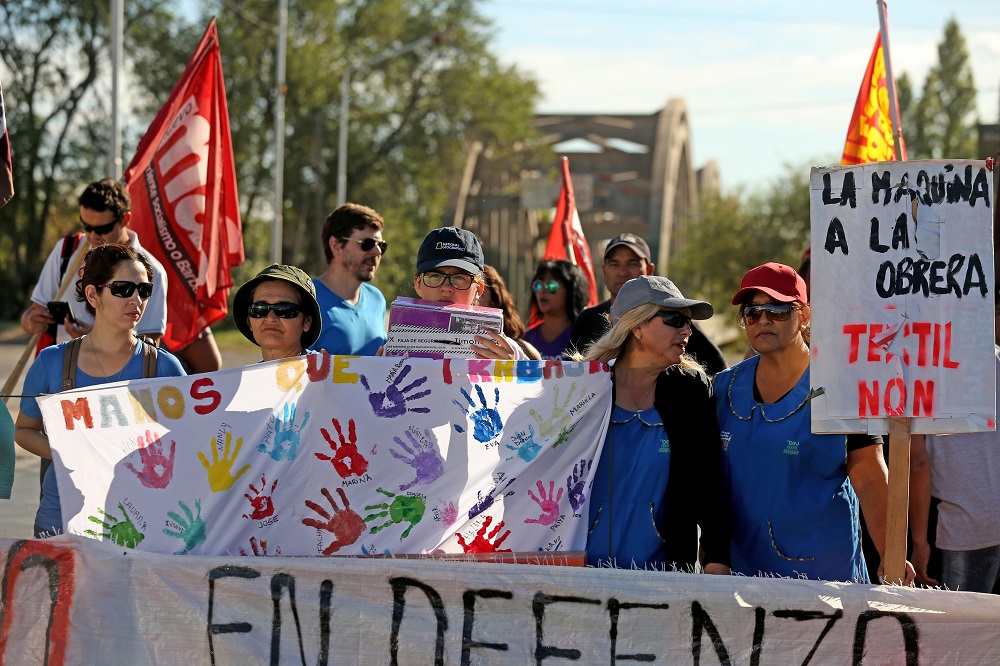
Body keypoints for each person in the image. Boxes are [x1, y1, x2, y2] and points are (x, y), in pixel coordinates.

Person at [715, 262, 914, 584]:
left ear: (804, 315)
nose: (764, 320)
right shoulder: (723, 388)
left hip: (824, 578)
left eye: (778, 310)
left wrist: (892, 555)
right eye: (752, 312)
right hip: (741, 575)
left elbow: (870, 477)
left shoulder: (842, 386)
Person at [15, 244, 186, 538]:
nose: (136, 300)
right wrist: (69, 452)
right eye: (123, 289)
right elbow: (24, 431)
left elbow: (188, 440)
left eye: (144, 291)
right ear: (93, 295)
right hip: (62, 521)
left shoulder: (164, 367)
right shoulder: (52, 362)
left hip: (140, 525)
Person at [583, 275, 731, 572]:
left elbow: (709, 483)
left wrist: (717, 559)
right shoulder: (583, 386)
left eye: (689, 321)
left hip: (664, 582)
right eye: (675, 319)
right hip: (580, 577)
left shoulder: (690, 390)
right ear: (636, 326)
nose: (688, 329)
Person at [909, 308, 1000, 593]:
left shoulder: (919, 370)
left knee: (963, 634)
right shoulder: (995, 358)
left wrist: (919, 543)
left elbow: (918, 464)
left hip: (966, 528)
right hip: (977, 524)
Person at [20, 178, 168, 346]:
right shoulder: (67, 250)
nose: (92, 236)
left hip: (118, 370)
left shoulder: (152, 270)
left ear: (125, 219)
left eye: (103, 229)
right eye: (86, 226)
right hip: (61, 365)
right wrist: (30, 321)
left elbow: (151, 347)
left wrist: (97, 338)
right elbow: (34, 312)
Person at [569, 233, 726, 374]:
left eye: (632, 263)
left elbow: (720, 369)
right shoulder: (587, 319)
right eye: (614, 264)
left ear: (649, 270)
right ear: (604, 271)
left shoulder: (680, 323)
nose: (622, 272)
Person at [412, 227, 527, 360]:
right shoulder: (394, 347)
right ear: (418, 284)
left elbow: (543, 380)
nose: (446, 287)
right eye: (435, 276)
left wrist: (513, 373)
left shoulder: (507, 352)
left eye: (459, 277)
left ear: (479, 289)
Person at [309, 203, 387, 356]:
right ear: (336, 246)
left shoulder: (377, 299)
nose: (377, 252)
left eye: (381, 246)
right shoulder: (307, 300)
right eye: (367, 244)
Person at [233, 264, 322, 362]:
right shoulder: (245, 377)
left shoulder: (331, 373)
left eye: (284, 309)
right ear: (249, 322)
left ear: (306, 322)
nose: (270, 318)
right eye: (260, 309)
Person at [524, 259, 589, 359]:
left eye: (551, 285)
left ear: (571, 290)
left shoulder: (586, 338)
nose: (542, 291)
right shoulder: (526, 339)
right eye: (537, 285)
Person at [480, 265, 541, 360]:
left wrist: (512, 368)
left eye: (479, 286)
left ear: (495, 297)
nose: (475, 294)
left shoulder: (524, 351)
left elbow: (535, 374)